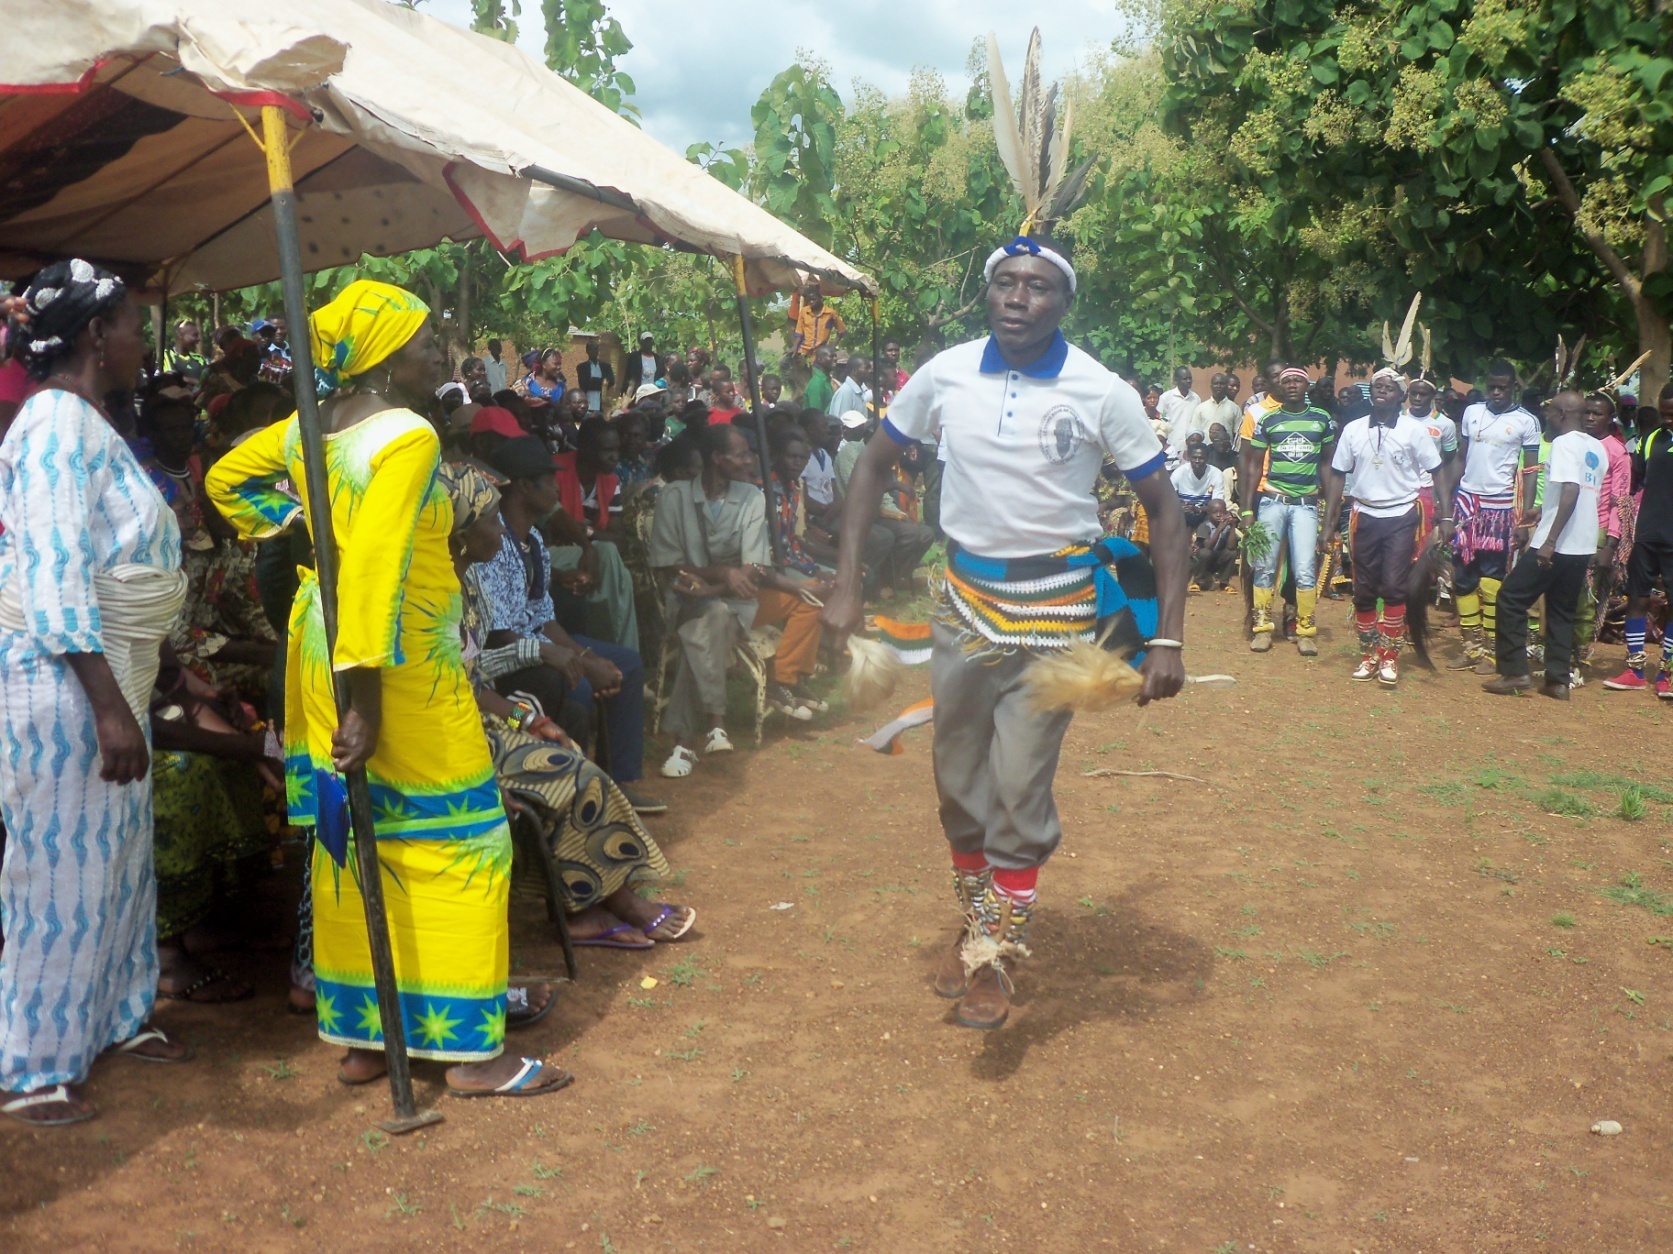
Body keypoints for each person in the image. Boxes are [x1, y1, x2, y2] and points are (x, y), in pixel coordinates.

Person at [206, 279, 569, 1098]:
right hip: (394, 667)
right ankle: (476, 1055)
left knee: (356, 840)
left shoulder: (310, 428)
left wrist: (300, 525)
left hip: (322, 651)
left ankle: (371, 1038)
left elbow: (230, 481)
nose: (438, 351)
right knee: (468, 843)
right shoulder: (404, 437)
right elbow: (369, 575)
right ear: (383, 357)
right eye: (422, 340)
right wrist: (363, 698)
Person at [820, 232, 1188, 1032]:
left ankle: (993, 955)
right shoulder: (943, 373)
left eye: (1039, 286)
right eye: (1006, 283)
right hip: (961, 606)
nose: (1018, 298)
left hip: (1055, 614)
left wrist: (1167, 639)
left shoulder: (1100, 391)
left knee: (1018, 787)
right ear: (987, 291)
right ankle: (977, 917)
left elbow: (1165, 512)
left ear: (1063, 301)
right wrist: (846, 582)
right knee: (958, 785)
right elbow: (872, 465)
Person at [0, 261, 194, 1126]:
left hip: (114, 670)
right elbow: (54, 575)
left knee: (114, 862)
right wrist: (110, 705)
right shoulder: (49, 426)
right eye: (128, 326)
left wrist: (153, 671)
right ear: (92, 336)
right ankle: (35, 1065)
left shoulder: (86, 421)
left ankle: (115, 1019)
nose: (138, 339)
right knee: (59, 870)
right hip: (67, 686)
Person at [440, 462, 694, 948]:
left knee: (570, 753)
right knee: (572, 777)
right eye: (490, 522)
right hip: (449, 744)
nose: (500, 530)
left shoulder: (466, 588)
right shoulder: (429, 601)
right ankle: (615, 906)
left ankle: (593, 908)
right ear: (461, 537)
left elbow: (472, 685)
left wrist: (527, 720)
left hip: (482, 725)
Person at [472, 436, 662, 813]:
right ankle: (577, 795)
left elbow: (545, 619)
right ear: (525, 486)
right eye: (550, 481)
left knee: (624, 664)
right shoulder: (490, 543)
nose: (557, 490)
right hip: (505, 657)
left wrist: (587, 655)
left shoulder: (536, 544)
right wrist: (576, 662)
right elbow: (497, 633)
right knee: (574, 685)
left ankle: (619, 782)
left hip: (539, 645)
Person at [649, 425, 828, 777]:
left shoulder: (751, 497)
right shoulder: (674, 497)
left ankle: (683, 743)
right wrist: (725, 574)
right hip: (683, 601)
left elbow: (754, 567)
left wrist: (714, 587)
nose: (750, 460)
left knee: (710, 618)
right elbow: (669, 564)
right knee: (708, 620)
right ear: (717, 459)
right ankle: (715, 722)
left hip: (733, 604)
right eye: (742, 453)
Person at [1322, 369, 1448, 685]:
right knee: (1363, 591)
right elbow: (1338, 474)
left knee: (1394, 586)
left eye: (1390, 388)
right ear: (1370, 393)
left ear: (1400, 396)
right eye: (1378, 386)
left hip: (1402, 515)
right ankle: (1369, 655)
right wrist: (1328, 525)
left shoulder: (1414, 431)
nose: (1382, 391)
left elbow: (1438, 469)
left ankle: (1389, 656)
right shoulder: (1352, 430)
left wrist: (1444, 516)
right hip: (1363, 515)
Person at [1482, 391, 1605, 700]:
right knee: (1562, 610)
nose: (1545, 415)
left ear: (1562, 414)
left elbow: (1572, 491)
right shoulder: (1596, 446)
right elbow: (1581, 493)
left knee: (1510, 598)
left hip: (1556, 543)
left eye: (1549, 411)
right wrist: (1543, 509)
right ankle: (1557, 681)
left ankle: (1514, 672)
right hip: (1583, 542)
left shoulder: (1564, 444)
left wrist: (1549, 540)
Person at [1447, 361, 1542, 674]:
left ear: (1514, 386)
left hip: (1500, 509)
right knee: (1462, 577)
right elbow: (1461, 457)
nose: (1497, 393)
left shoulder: (1527, 422)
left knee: (1492, 580)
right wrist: (1446, 504)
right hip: (1466, 506)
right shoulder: (1472, 412)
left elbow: (1529, 471)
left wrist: (1526, 517)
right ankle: (1470, 646)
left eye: (1503, 387)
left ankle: (1490, 650)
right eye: (1492, 387)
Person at [1243, 367, 1334, 656]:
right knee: (1265, 566)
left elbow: (1328, 468)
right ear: (1279, 387)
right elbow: (1254, 466)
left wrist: (1330, 514)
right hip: (1273, 501)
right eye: (1287, 381)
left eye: (1298, 381)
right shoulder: (1268, 420)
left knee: (1305, 568)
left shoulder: (1322, 420)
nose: (1292, 385)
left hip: (1306, 505)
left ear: (1307, 386)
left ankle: (1305, 630)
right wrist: (1247, 510)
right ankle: (1262, 628)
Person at [1603, 382, 1673, 696]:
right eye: (1664, 414)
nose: (1668, 419)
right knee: (1637, 597)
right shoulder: (1649, 440)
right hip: (1647, 534)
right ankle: (1635, 669)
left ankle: (1667, 673)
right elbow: (1637, 482)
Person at [1572, 392, 1634, 673]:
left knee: (1586, 598)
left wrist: (1610, 544)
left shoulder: (1617, 451)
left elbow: (1619, 502)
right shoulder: (1572, 443)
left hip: (1594, 530)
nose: (1589, 418)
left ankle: (1579, 654)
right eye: (1586, 412)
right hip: (1567, 527)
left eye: (1597, 414)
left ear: (1610, 418)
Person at [1405, 376, 1458, 544]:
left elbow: (1449, 461)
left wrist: (1442, 501)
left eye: (1423, 394)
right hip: (1402, 490)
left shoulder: (1445, 424)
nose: (1417, 398)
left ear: (1433, 395)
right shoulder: (1398, 419)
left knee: (1425, 543)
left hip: (1429, 490)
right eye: (1413, 393)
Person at [1170, 440, 1226, 529]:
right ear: (1188, 458)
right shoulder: (1179, 473)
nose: (1197, 461)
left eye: (1201, 458)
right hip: (1182, 513)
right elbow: (1169, 498)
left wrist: (1198, 509)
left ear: (1207, 459)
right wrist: (1181, 507)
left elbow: (1217, 504)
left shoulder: (1216, 474)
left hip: (1205, 514)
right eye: (1194, 457)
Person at [1190, 498, 1239, 591]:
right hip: (1203, 561)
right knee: (1205, 552)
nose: (1218, 515)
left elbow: (1231, 547)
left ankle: (1224, 583)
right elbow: (1208, 546)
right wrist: (1219, 529)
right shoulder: (1204, 526)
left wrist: (1232, 527)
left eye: (1221, 512)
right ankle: (1197, 581)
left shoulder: (1227, 527)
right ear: (1208, 514)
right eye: (1215, 512)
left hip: (1217, 559)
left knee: (1231, 553)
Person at [1158, 366, 1202, 466]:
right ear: (1176, 380)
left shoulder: (1196, 398)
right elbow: (1160, 422)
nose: (1188, 381)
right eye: (1185, 378)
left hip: (1190, 450)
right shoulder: (1166, 397)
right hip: (1171, 447)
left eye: (1190, 378)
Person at [789, 283, 845, 359]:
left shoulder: (830, 313)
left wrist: (832, 347)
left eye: (814, 299)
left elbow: (842, 331)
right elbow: (799, 333)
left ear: (820, 298)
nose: (811, 302)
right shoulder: (804, 312)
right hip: (804, 351)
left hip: (821, 353)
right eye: (809, 300)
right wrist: (795, 347)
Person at [576, 339, 614, 415]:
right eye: (591, 349)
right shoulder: (582, 367)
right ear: (587, 351)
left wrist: (593, 381)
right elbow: (583, 384)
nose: (594, 351)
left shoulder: (606, 366)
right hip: (588, 399)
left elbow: (611, 381)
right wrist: (601, 382)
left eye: (595, 349)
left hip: (602, 400)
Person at [829, 354, 872, 419]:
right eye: (866, 368)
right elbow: (840, 422)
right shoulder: (845, 392)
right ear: (855, 371)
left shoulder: (860, 391)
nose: (870, 371)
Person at [802, 345, 836, 414]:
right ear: (820, 360)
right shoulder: (817, 383)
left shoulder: (827, 380)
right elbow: (816, 415)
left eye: (835, 356)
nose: (835, 359)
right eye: (831, 356)